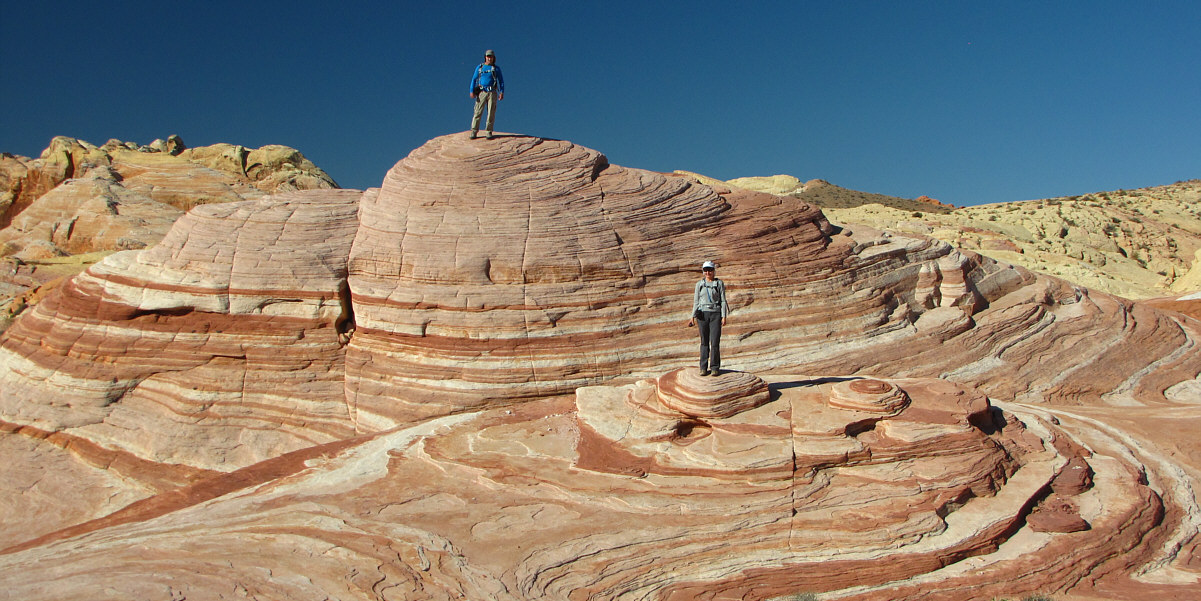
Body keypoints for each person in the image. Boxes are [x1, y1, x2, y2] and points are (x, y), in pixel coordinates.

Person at [686, 260, 729, 376]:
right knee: (704, 342)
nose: (708, 272)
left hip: (715, 314)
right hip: (702, 315)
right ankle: (703, 368)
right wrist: (692, 317)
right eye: (705, 270)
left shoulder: (719, 283)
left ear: (714, 271)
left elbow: (723, 300)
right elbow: (696, 301)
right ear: (703, 271)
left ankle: (715, 367)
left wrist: (724, 316)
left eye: (710, 270)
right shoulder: (699, 284)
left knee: (715, 342)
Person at [469, 49, 505, 140]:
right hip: (482, 92)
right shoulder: (480, 67)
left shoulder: (496, 69)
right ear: (485, 57)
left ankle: (489, 131)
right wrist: (471, 91)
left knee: (491, 113)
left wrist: (501, 92)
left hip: (492, 92)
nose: (489, 58)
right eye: (488, 56)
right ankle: (474, 130)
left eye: (491, 57)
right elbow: (474, 79)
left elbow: (501, 81)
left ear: (493, 58)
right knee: (478, 111)